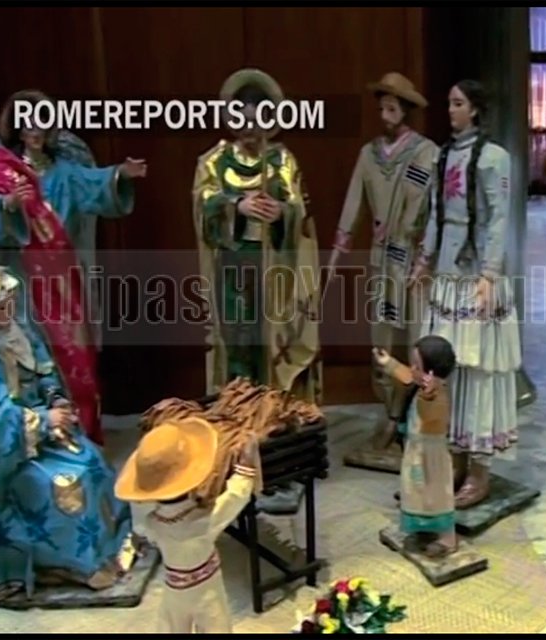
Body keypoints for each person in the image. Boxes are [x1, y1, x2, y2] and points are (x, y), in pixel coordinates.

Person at [0, 90, 148, 445]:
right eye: (27, 125)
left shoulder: (65, 173)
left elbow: (96, 183)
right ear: (18, 129)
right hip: (26, 278)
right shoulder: (8, 173)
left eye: (41, 124)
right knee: (34, 352)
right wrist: (9, 204)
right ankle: (45, 434)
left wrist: (121, 174)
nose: (35, 132)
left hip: (64, 278)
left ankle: (83, 431)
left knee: (77, 353)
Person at [192, 68, 320, 513]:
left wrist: (282, 212)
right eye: (241, 119)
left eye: (257, 120)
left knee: (272, 358)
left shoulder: (282, 161)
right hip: (233, 273)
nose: (249, 128)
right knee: (240, 355)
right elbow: (202, 206)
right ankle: (235, 450)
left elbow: (301, 211)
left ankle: (275, 453)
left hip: (275, 274)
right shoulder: (213, 162)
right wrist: (236, 204)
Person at [0, 262, 135, 602]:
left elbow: (45, 375)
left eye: (11, 303)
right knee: (66, 484)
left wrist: (56, 400)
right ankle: (62, 565)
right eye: (0, 306)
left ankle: (107, 549)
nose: (9, 312)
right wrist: (43, 421)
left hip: (40, 435)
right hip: (4, 453)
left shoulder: (21, 335)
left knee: (92, 461)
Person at [409, 80, 521, 509]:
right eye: (449, 102)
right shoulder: (443, 156)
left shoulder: (495, 158)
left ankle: (479, 469)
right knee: (447, 368)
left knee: (478, 370)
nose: (450, 110)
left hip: (476, 276)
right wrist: (424, 260)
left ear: (474, 109)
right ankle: (453, 458)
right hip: (448, 274)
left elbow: (499, 218)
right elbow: (436, 214)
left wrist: (489, 275)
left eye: (458, 103)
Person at [329, 72, 439, 459]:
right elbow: (353, 202)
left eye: (392, 108)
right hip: (381, 261)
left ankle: (415, 419)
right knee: (382, 338)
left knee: (416, 338)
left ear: (405, 110)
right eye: (382, 108)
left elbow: (425, 206)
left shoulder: (425, 153)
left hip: (413, 261)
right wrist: (339, 250)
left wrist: (423, 254)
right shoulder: (369, 154)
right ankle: (389, 414)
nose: (385, 115)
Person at [114, 418, 258, 633]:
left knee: (172, 625)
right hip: (207, 590)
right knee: (215, 624)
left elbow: (144, 530)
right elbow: (237, 495)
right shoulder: (203, 518)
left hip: (174, 588)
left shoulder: (152, 522)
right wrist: (245, 465)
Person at [373, 336, 457, 558]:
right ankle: (423, 527)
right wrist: (388, 362)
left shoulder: (438, 396)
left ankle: (447, 538)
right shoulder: (421, 383)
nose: (412, 369)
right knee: (417, 494)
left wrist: (428, 398)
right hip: (416, 454)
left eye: (417, 366)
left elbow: (430, 418)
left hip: (431, 459)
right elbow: (406, 375)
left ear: (431, 373)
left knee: (436, 495)